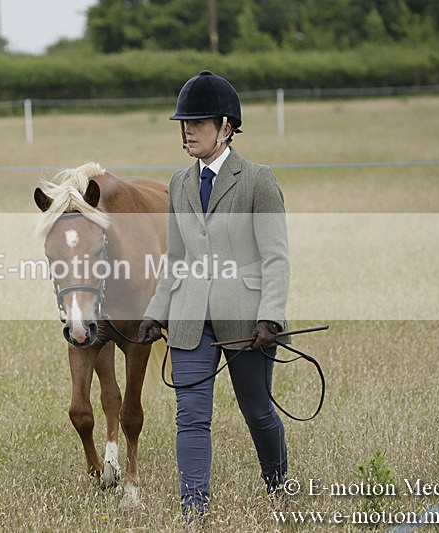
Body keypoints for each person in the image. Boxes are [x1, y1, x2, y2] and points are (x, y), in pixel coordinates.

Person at [137, 70, 291, 519]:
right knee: (191, 417)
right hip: (188, 317)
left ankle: (278, 486)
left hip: (246, 318)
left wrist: (271, 317)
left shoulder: (259, 180)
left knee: (258, 412)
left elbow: (276, 257)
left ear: (226, 128)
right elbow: (176, 258)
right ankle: (194, 510)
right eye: (183, 123)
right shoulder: (179, 184)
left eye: (198, 122)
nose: (187, 130)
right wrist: (155, 311)